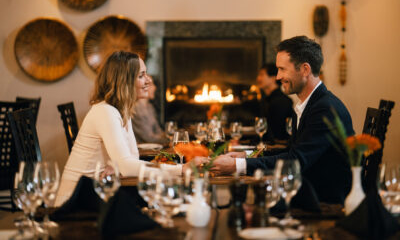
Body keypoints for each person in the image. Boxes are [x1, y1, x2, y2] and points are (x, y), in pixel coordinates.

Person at [207, 36, 354, 204]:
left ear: (305, 69)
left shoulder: (325, 109)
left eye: (282, 69)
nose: (277, 77)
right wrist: (246, 155)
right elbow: (291, 150)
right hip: (309, 190)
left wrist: (237, 166)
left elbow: (295, 161)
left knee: (246, 203)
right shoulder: (311, 104)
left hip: (323, 200)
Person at [55, 51, 182, 206]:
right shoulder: (106, 111)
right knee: (167, 200)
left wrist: (116, 165)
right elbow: (128, 166)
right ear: (125, 81)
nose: (148, 80)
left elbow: (131, 157)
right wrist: (180, 170)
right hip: (74, 201)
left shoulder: (122, 110)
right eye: (141, 75)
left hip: (98, 192)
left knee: (164, 199)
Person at [256, 63, 294, 141]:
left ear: (273, 78)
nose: (258, 78)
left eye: (262, 75)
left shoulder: (282, 101)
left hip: (278, 147)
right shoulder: (266, 100)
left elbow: (277, 134)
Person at [132, 76, 169, 145]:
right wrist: (170, 139)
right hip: (143, 152)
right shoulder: (135, 109)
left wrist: (171, 136)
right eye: (151, 84)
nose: (155, 87)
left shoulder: (150, 107)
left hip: (155, 147)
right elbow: (148, 138)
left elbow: (158, 131)